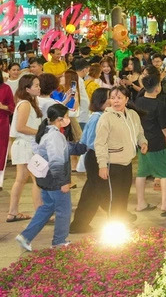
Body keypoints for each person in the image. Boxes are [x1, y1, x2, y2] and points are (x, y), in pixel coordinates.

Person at [15, 104, 87, 251]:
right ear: (60, 119)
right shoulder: (55, 135)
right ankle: (59, 241)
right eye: (67, 117)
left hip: (45, 179)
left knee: (46, 208)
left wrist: (82, 147)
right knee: (63, 210)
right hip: (55, 180)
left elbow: (64, 148)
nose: (68, 119)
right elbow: (56, 161)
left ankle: (25, 236)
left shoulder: (45, 131)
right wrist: (63, 183)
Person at [134, 73, 166, 216]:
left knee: (141, 172)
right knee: (164, 173)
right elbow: (165, 128)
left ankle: (141, 203)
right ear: (157, 88)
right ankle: (165, 204)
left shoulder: (138, 101)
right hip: (157, 142)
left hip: (142, 142)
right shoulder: (159, 104)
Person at [69, 88, 111, 233]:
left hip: (96, 157)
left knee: (92, 191)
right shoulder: (98, 118)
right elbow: (91, 141)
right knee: (99, 190)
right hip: (95, 157)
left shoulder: (101, 116)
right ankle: (118, 215)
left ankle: (79, 224)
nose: (113, 100)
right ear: (101, 102)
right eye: (110, 97)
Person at [7, 75, 42, 222]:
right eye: (36, 85)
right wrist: (41, 132)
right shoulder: (26, 104)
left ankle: (12, 212)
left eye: (39, 85)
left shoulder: (28, 103)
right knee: (38, 179)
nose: (39, 87)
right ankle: (40, 213)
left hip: (25, 145)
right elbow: (20, 127)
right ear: (27, 89)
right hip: (26, 145)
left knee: (21, 179)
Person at [0, 70, 15, 189]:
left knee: (2, 151)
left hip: (2, 124)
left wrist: (2, 106)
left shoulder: (6, 88)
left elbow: (12, 107)